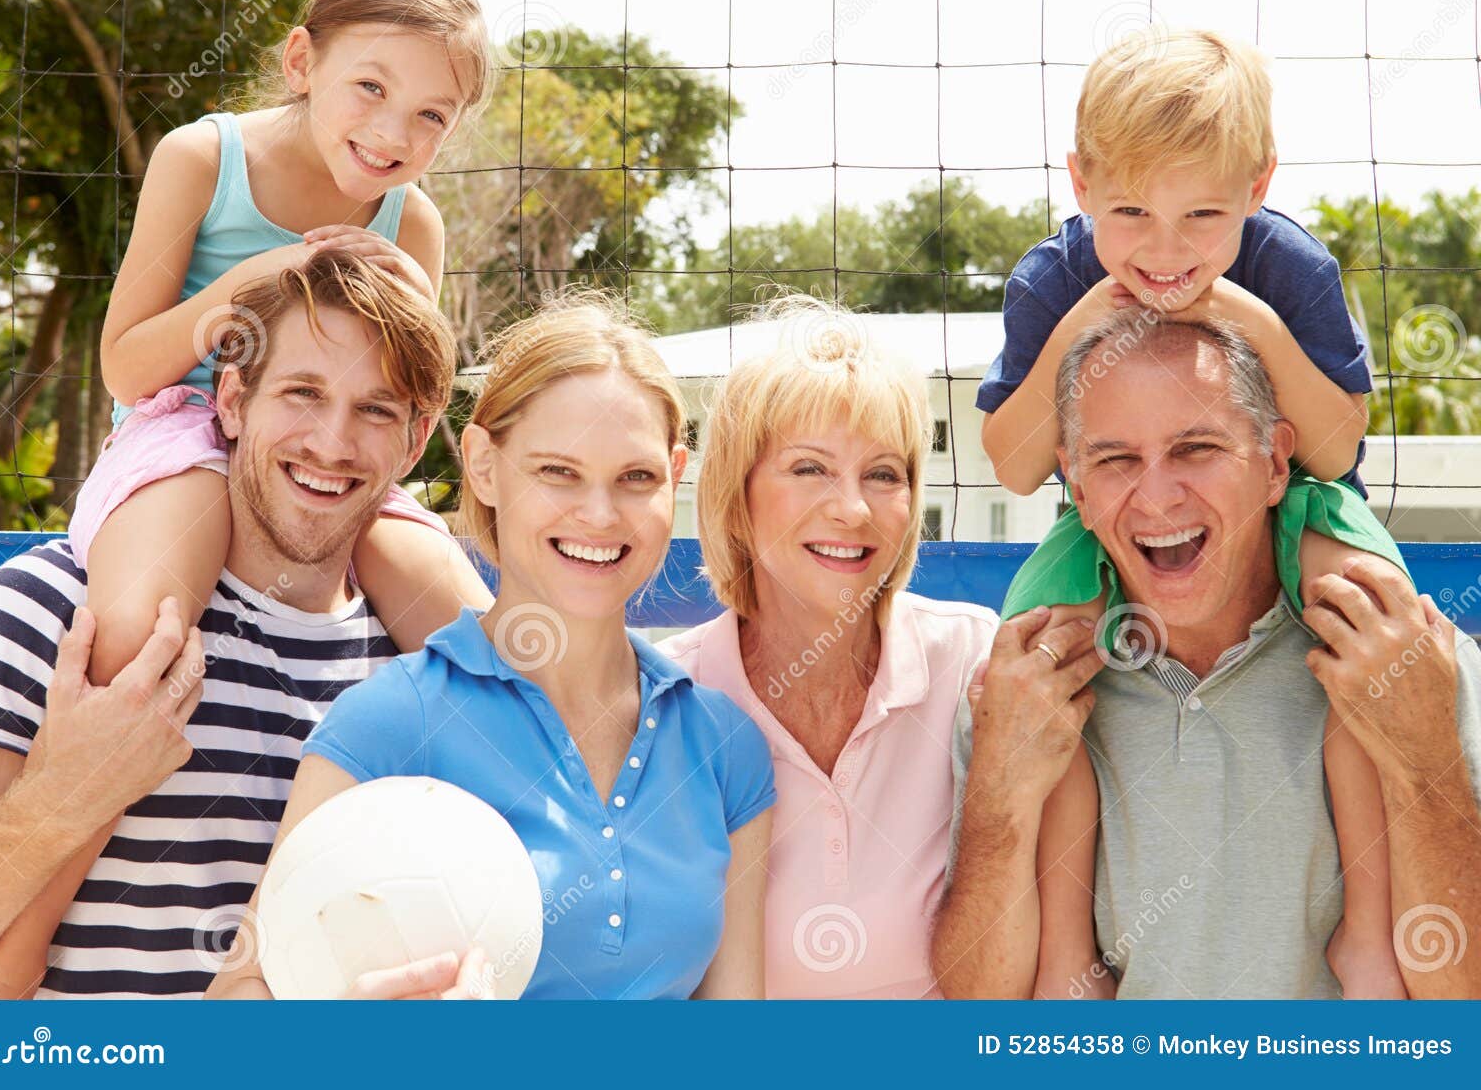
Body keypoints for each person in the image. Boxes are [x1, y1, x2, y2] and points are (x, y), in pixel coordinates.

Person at [0, 250, 484, 999]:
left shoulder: (427, 676)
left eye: (376, 409)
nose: (332, 442)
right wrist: (56, 801)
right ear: (231, 401)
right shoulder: (59, 612)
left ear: (414, 440)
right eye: (302, 392)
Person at [976, 27, 1411, 996]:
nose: (1164, 252)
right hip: (1104, 511)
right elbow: (1010, 465)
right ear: (1080, 180)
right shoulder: (1053, 279)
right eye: (1128, 211)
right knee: (1041, 662)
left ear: (1255, 187)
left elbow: (1334, 447)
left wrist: (1245, 317)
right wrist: (1083, 321)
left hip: (1293, 494)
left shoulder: (1285, 266)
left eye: (1201, 215)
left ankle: (1371, 928)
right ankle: (1061, 950)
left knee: (1373, 625)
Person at [207, 292, 776, 1000]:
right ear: (481, 464)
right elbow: (237, 999)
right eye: (557, 472)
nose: (599, 515)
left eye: (636, 477)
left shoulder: (724, 747)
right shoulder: (391, 720)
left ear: (675, 473)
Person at [933, 312, 1481, 999]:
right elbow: (978, 1006)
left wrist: (1423, 753)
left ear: (1276, 463)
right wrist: (998, 794)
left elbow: (1466, 1000)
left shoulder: (1412, 665)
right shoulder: (1023, 692)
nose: (1158, 496)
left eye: (1196, 448)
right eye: (1116, 460)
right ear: (1076, 486)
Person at [83, 0, 493, 686]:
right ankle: (92, 782)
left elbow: (410, 405)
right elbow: (125, 368)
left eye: (431, 114)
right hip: (183, 430)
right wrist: (247, 284)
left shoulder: (413, 225)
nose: (393, 135)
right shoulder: (203, 160)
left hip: (328, 448)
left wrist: (417, 323)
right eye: (370, 86)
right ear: (302, 63)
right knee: (141, 629)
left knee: (473, 638)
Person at [657, 296, 997, 998]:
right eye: (810, 468)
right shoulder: (665, 700)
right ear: (737, 495)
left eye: (883, 473)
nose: (854, 508)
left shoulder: (973, 660)